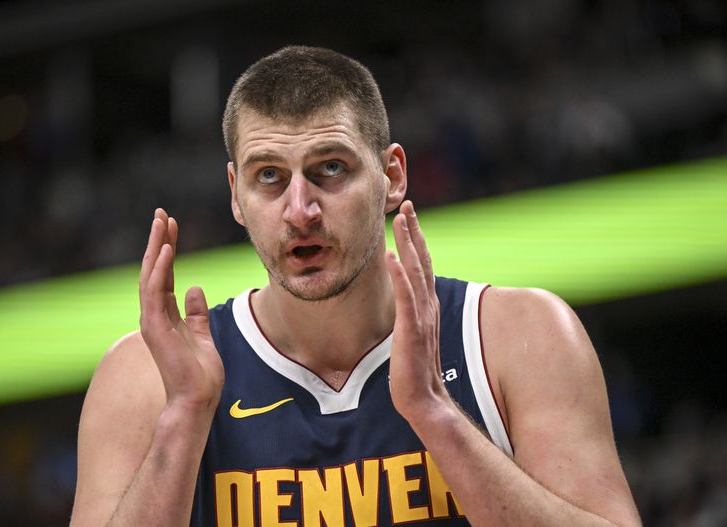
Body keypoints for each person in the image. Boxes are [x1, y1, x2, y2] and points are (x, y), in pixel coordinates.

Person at [70, 46, 641, 527]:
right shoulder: (144, 378)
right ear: (235, 195)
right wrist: (184, 417)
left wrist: (435, 414)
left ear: (392, 176)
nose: (300, 210)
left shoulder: (519, 336)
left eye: (331, 168)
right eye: (269, 176)